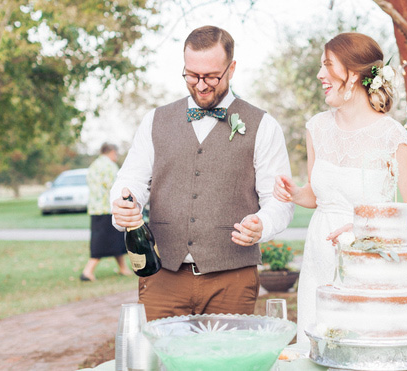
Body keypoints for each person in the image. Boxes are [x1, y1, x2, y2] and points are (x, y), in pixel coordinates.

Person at [110, 25, 293, 321]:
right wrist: (122, 203)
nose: (201, 85)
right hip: (161, 277)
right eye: (192, 75)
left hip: (232, 280)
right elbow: (131, 180)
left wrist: (263, 223)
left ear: (231, 69)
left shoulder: (264, 125)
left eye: (211, 76)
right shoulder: (154, 120)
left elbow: (280, 199)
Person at [273, 32, 407, 343]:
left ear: (354, 74)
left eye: (327, 65)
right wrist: (295, 192)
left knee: (363, 349)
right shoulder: (316, 128)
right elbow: (320, 197)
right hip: (319, 260)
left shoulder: (392, 135)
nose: (320, 75)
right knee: (316, 349)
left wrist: (366, 228)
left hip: (369, 264)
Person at [80, 143, 131, 281]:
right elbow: (115, 187)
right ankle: (87, 272)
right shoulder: (109, 166)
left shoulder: (94, 165)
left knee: (116, 239)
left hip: (95, 208)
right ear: (112, 152)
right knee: (102, 242)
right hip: (107, 209)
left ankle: (123, 268)